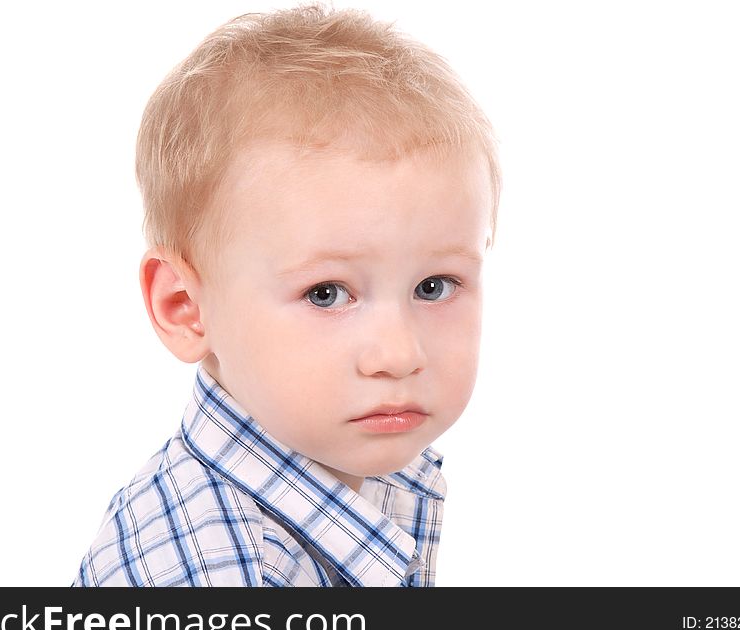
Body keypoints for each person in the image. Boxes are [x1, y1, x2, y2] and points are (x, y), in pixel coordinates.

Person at [73, 2, 500, 587]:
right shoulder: (222, 570)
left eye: (434, 286)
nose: (400, 355)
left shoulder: (363, 465)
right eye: (327, 294)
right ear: (185, 307)